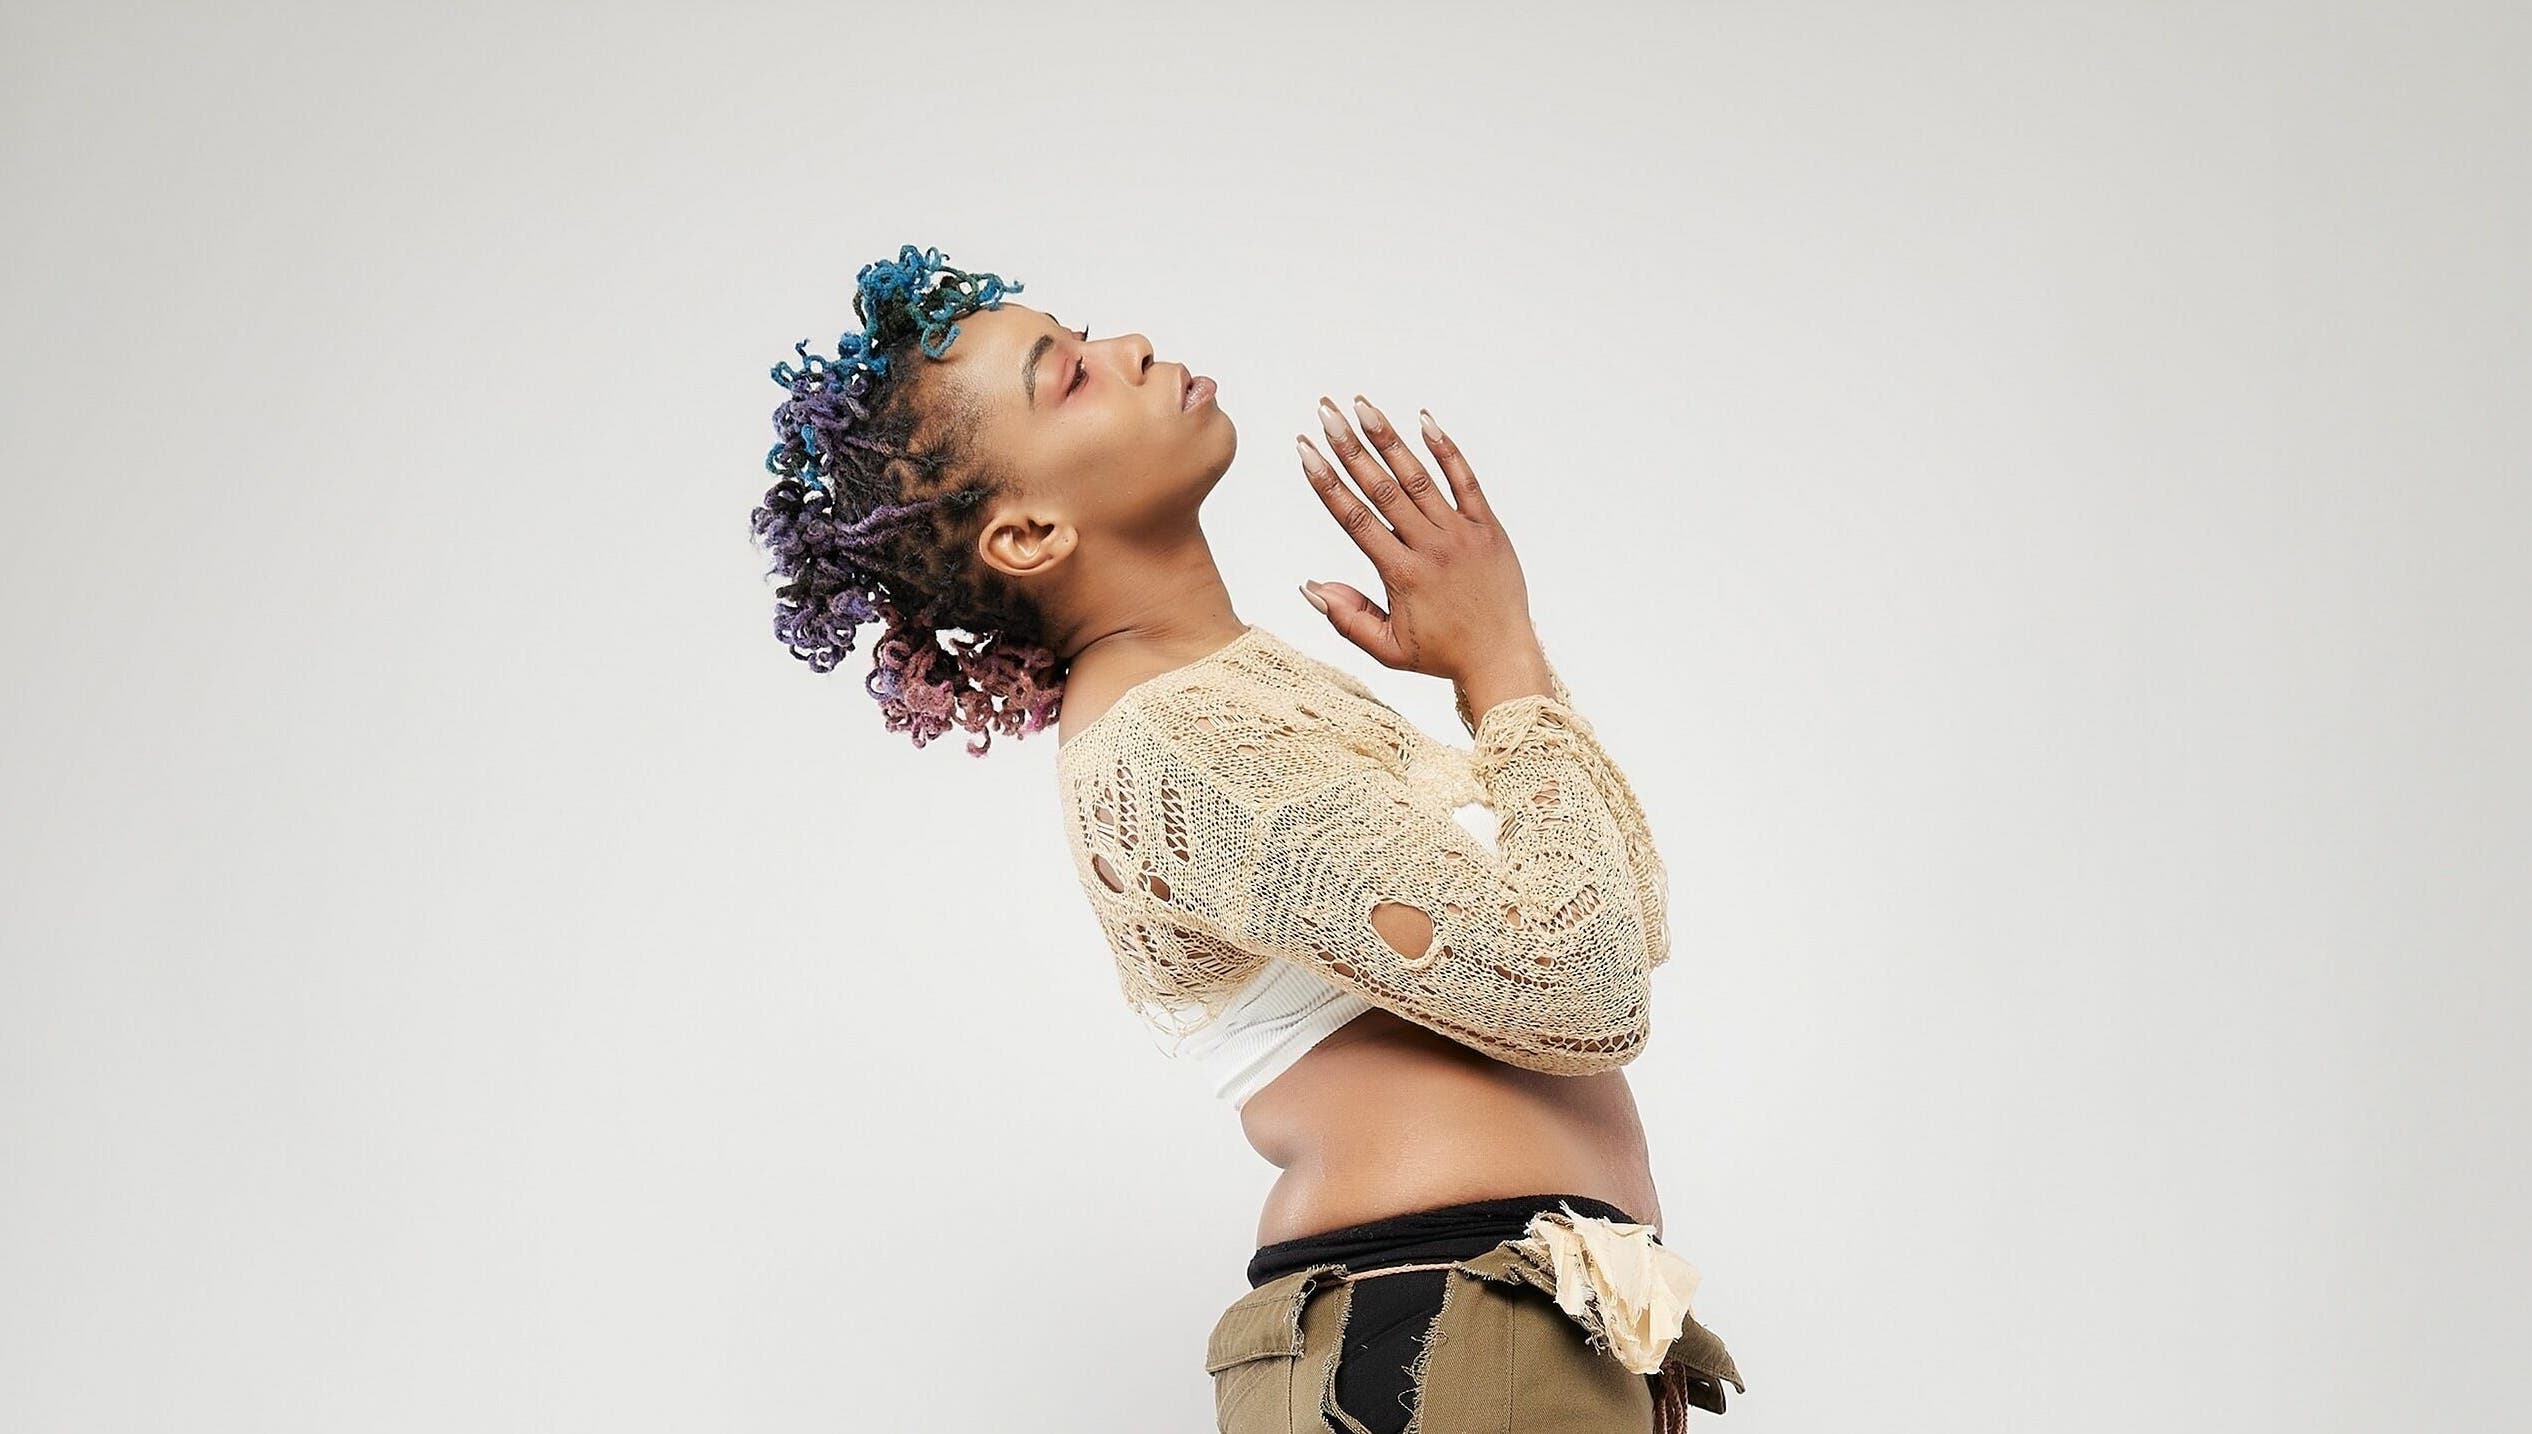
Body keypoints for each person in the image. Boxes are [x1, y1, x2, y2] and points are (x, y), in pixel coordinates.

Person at [749, 244, 1746, 1432]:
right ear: (1027, 535)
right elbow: (1582, 985)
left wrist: (1501, 668)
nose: (1126, 348)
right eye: (1067, 374)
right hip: (1442, 1331)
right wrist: (1500, 661)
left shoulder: (1229, 696)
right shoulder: (1170, 740)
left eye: (1087, 335)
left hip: (1493, 1318)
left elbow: (1618, 925)